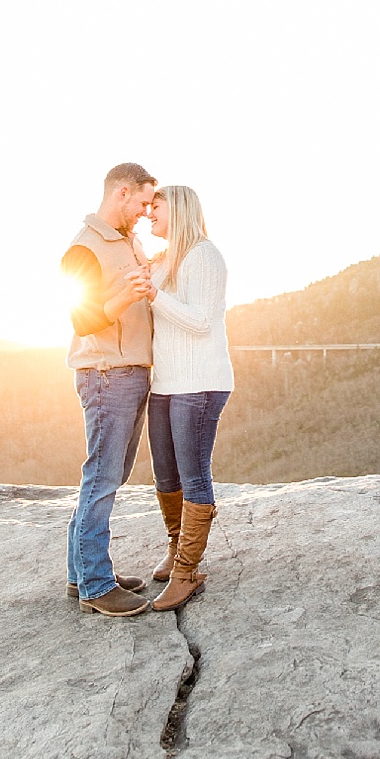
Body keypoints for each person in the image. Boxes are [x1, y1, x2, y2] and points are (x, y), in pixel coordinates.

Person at [60, 162, 159, 618]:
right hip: (105, 375)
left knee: (108, 475)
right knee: (101, 478)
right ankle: (97, 588)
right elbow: (81, 317)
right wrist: (126, 296)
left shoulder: (129, 242)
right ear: (121, 193)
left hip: (131, 372)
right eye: (141, 202)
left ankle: (81, 573)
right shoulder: (84, 248)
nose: (144, 211)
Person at [143, 185, 235, 612]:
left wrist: (153, 295)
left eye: (155, 209)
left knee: (193, 474)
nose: (148, 216)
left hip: (199, 384)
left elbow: (199, 322)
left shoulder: (204, 257)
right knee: (165, 472)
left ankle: (188, 571)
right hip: (165, 383)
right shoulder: (162, 262)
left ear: (176, 211)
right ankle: (176, 547)